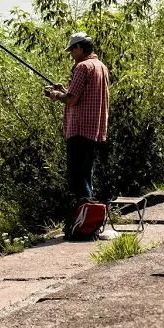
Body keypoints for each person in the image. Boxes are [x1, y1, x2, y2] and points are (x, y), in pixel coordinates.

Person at [43, 32, 110, 204]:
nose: (71, 55)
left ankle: (85, 216)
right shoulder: (101, 66)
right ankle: (90, 219)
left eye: (72, 51)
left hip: (80, 129)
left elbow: (72, 100)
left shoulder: (82, 67)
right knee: (86, 174)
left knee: (76, 178)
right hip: (94, 130)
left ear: (79, 48)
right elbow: (82, 96)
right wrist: (64, 90)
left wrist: (56, 95)